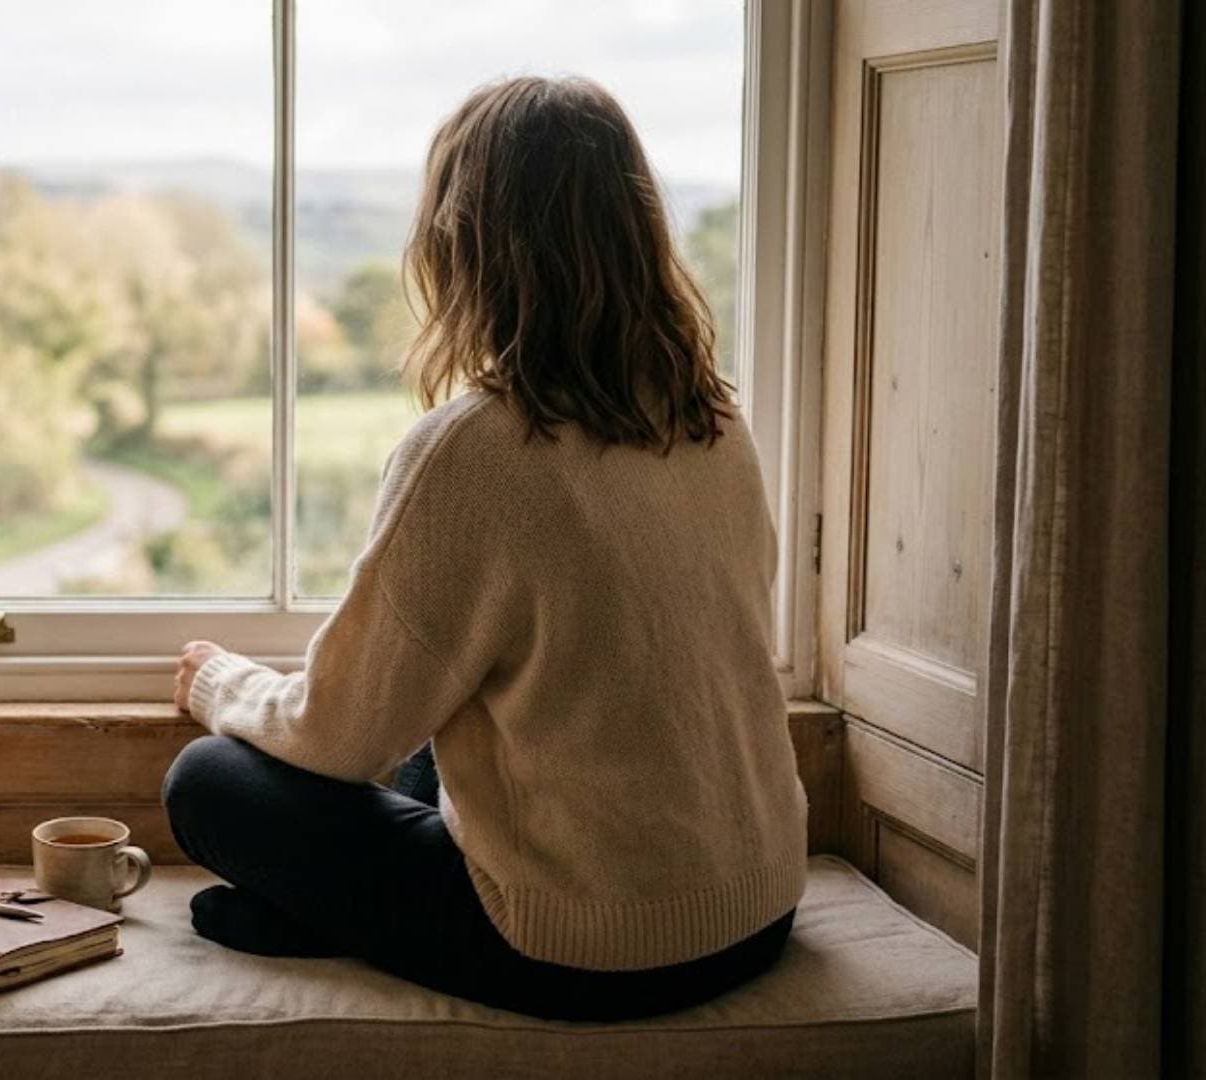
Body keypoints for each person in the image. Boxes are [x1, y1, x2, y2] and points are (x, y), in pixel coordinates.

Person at [162, 75, 808, 1022]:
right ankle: (334, 912)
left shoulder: (474, 450)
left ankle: (330, 914)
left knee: (209, 784)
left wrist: (222, 686)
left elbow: (340, 738)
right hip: (756, 906)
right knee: (455, 707)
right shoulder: (714, 418)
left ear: (463, 243)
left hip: (590, 950)